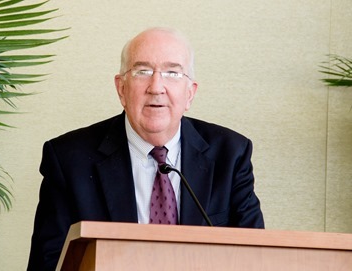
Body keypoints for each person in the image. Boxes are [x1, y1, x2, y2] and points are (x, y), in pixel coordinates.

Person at [27, 27, 264, 270]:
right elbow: (47, 264)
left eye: (172, 73)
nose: (156, 86)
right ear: (121, 89)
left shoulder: (231, 154)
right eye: (143, 71)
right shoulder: (68, 159)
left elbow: (256, 258)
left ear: (190, 94)